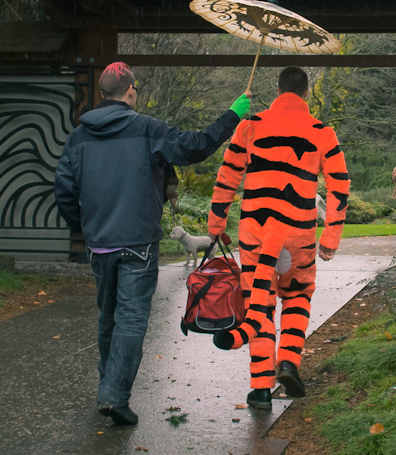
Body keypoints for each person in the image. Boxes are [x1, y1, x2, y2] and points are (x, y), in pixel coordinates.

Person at [54, 62, 251, 426]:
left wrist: (84, 227)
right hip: (138, 242)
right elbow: (195, 146)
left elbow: (64, 189)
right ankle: (114, 395)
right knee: (131, 317)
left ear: (102, 94)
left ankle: (108, 385)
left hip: (99, 244)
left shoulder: (78, 138)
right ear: (130, 91)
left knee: (109, 316)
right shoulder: (147, 129)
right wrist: (232, 115)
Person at [206, 66, 351, 411]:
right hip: (298, 236)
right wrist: (330, 236)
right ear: (305, 92)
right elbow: (340, 185)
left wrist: (216, 225)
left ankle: (260, 389)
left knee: (260, 302)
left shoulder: (250, 126)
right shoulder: (322, 132)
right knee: (297, 297)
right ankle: (288, 362)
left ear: (277, 89)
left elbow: (227, 177)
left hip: (255, 234)